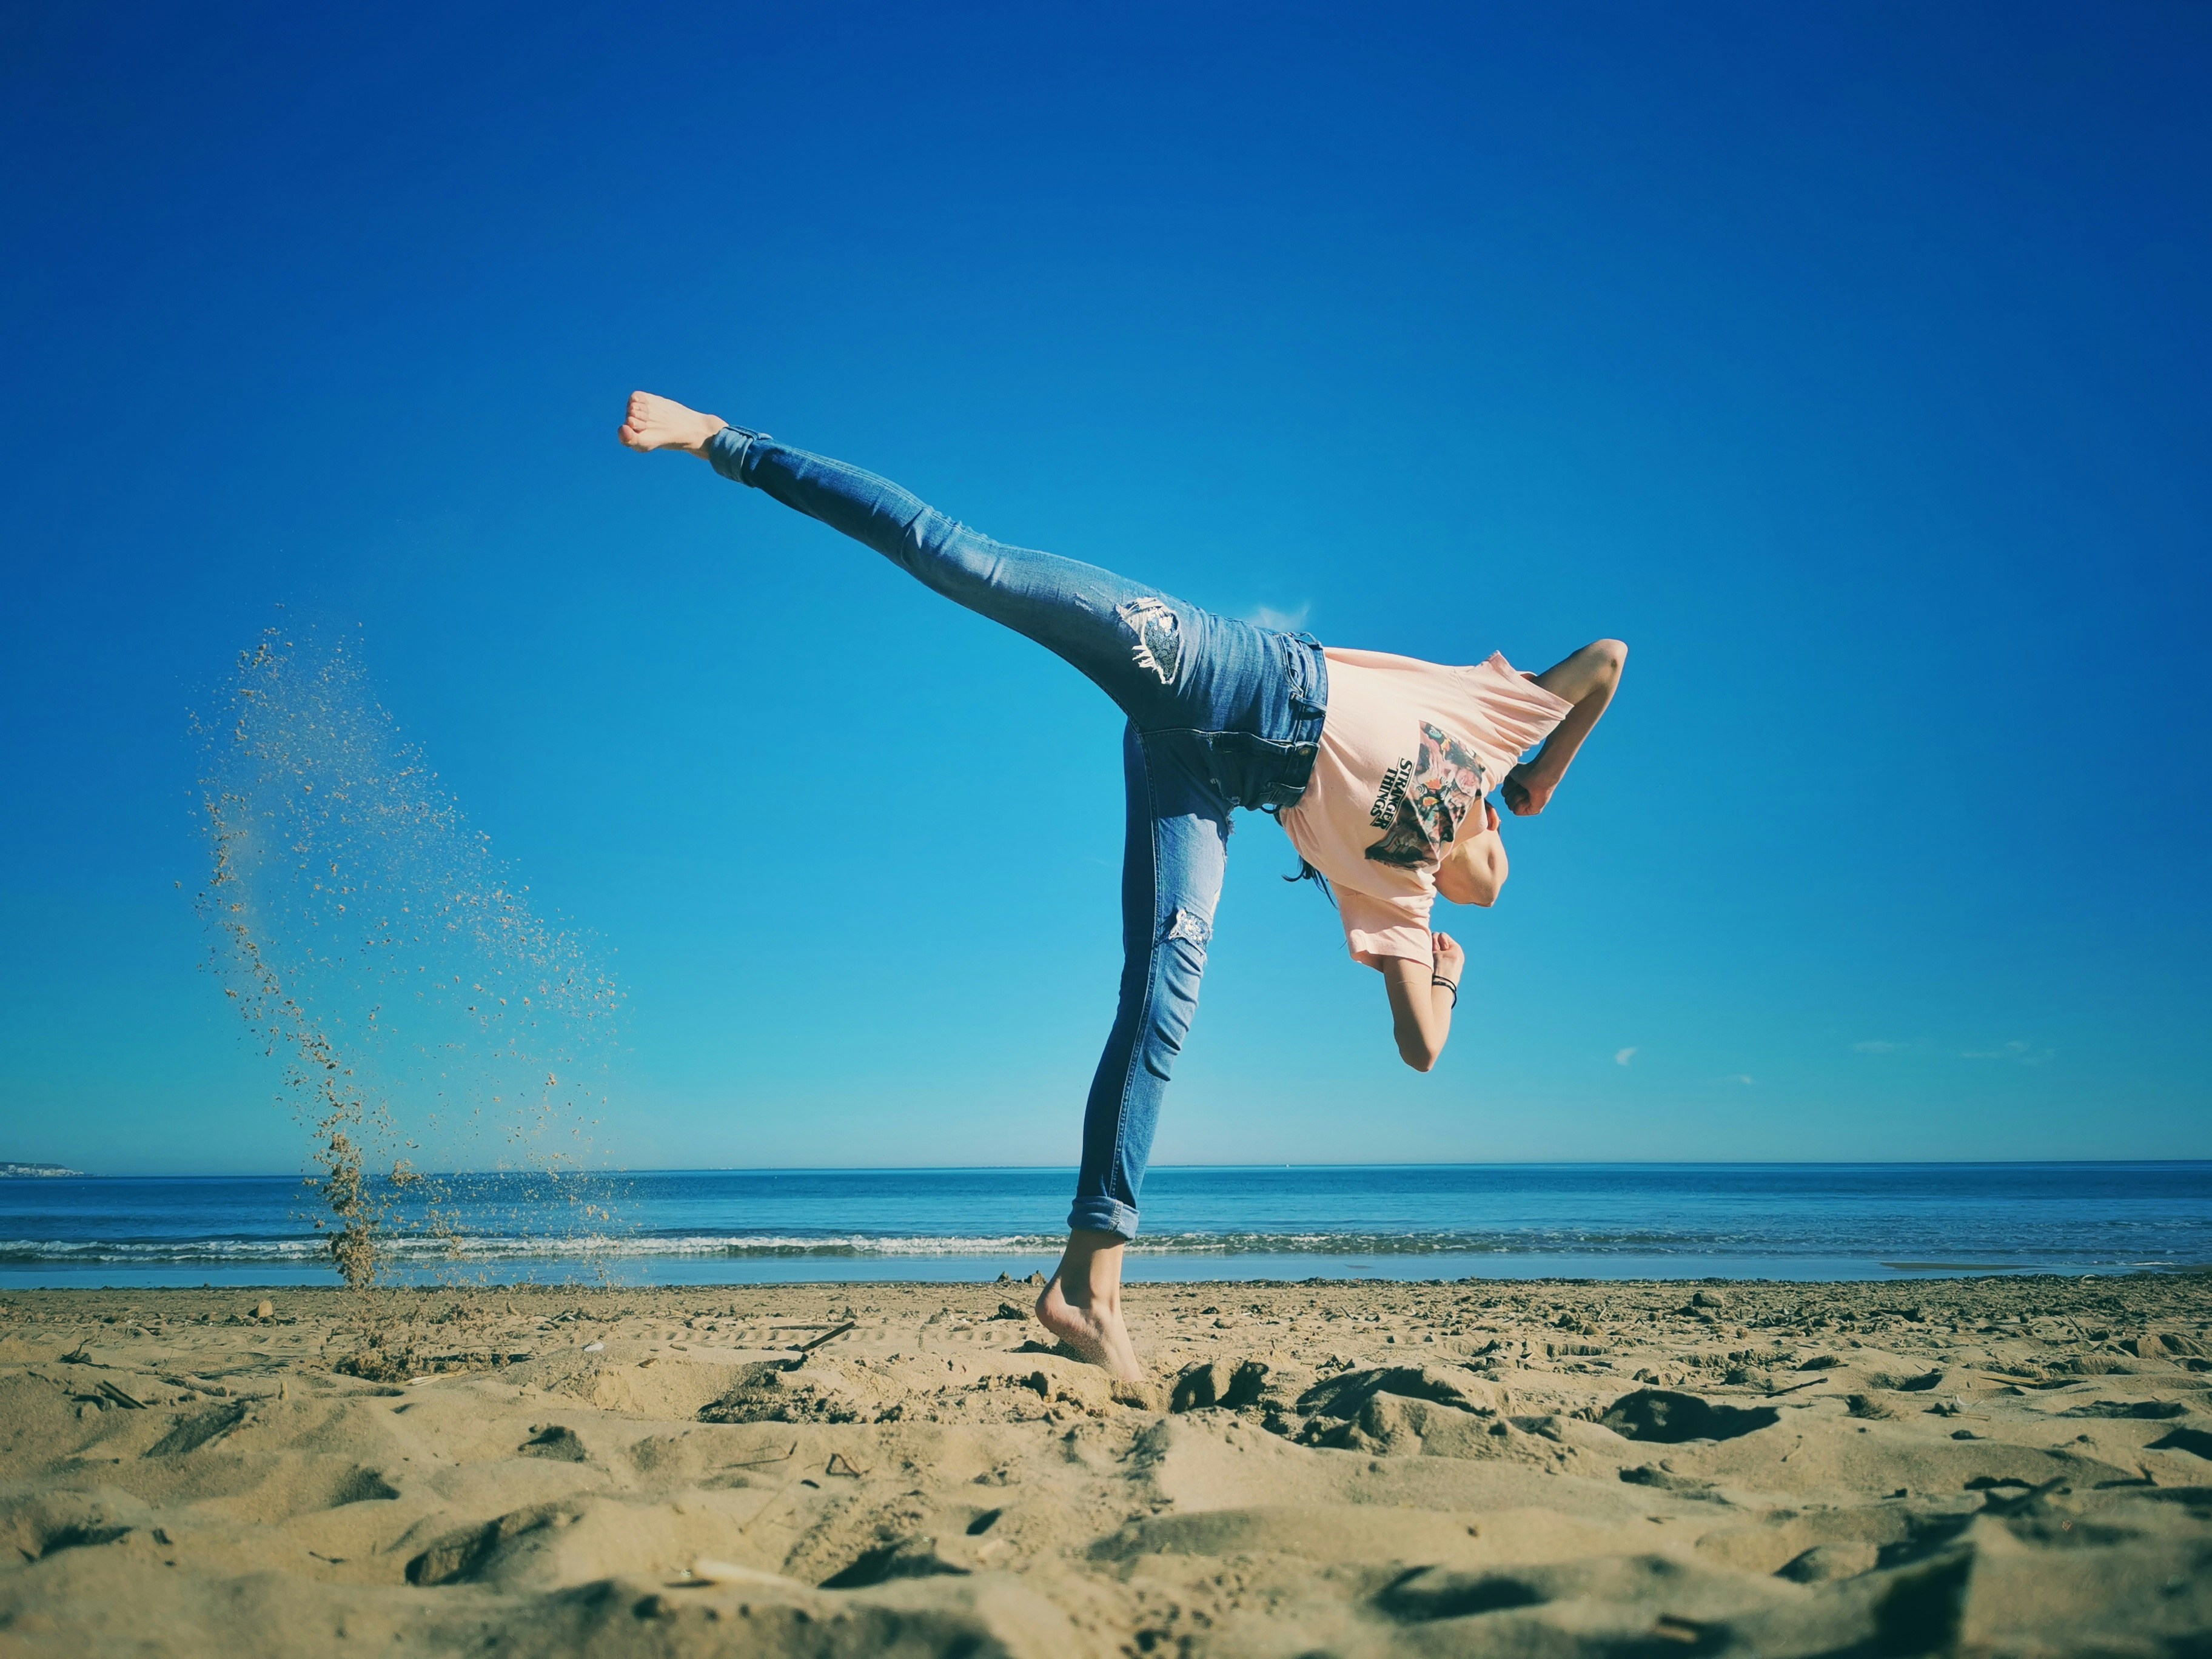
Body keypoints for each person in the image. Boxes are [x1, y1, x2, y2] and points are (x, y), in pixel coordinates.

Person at [619, 391, 1626, 1381]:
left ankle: (1086, 1289)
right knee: (961, 559)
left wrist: (1446, 973)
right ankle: (724, 441)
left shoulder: (1401, 896)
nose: (1487, 867)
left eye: (1482, 877)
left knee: (1159, 1005)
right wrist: (1541, 774)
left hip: (1203, 782)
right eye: (1495, 849)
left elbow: (1421, 1050)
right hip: (1215, 665)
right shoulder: (1492, 732)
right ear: (1490, 821)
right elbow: (1605, 663)